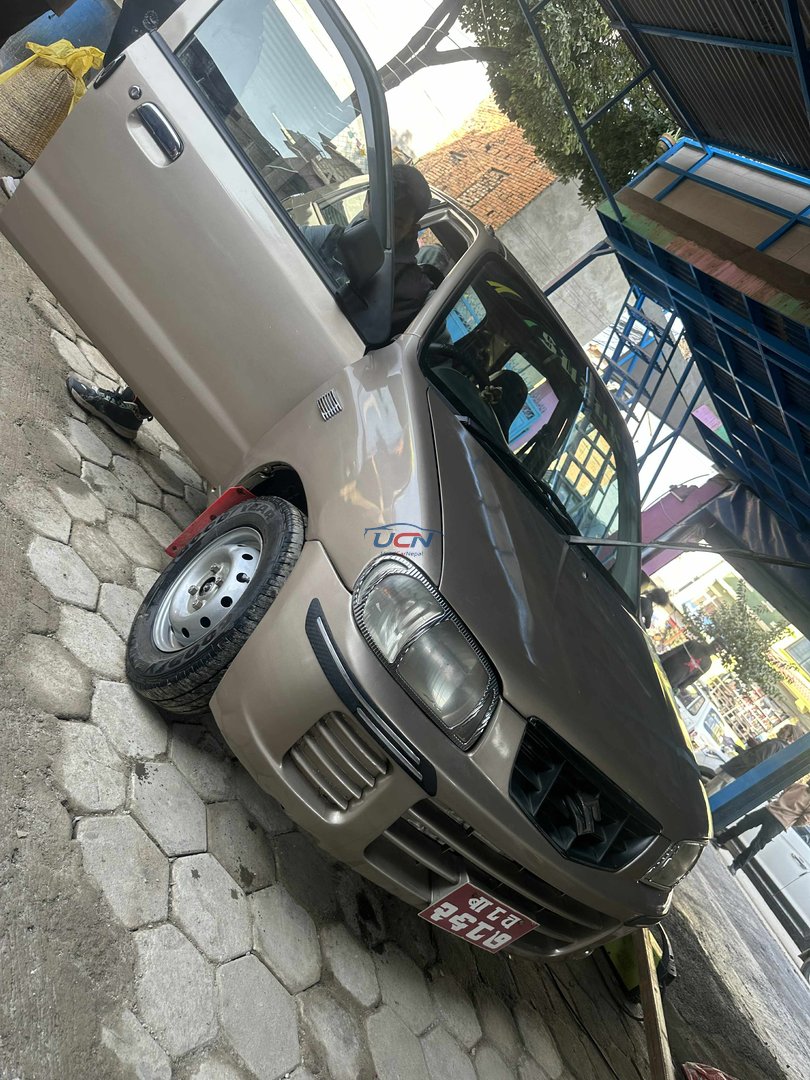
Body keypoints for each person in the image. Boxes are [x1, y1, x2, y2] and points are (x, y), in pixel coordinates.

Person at [67, 163, 437, 439]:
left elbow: (389, 359)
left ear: (413, 227)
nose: (385, 223)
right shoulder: (335, 236)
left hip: (323, 378)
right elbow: (275, 250)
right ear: (370, 197)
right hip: (273, 337)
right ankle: (132, 404)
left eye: (399, 219)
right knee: (212, 313)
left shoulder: (412, 292)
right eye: (381, 208)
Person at [715, 780, 810, 874]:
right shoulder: (798, 786)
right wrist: (779, 806)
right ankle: (719, 840)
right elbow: (783, 793)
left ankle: (736, 866)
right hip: (769, 810)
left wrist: (788, 820)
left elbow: (804, 820)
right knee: (742, 825)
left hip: (779, 823)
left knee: (756, 845)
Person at [705, 727, 797, 795]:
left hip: (736, 770)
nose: (781, 729)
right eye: (783, 728)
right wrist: (755, 746)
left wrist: (738, 748)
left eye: (785, 730)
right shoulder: (779, 746)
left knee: (710, 791)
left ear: (789, 737)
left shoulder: (775, 745)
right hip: (738, 773)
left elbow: (754, 761)